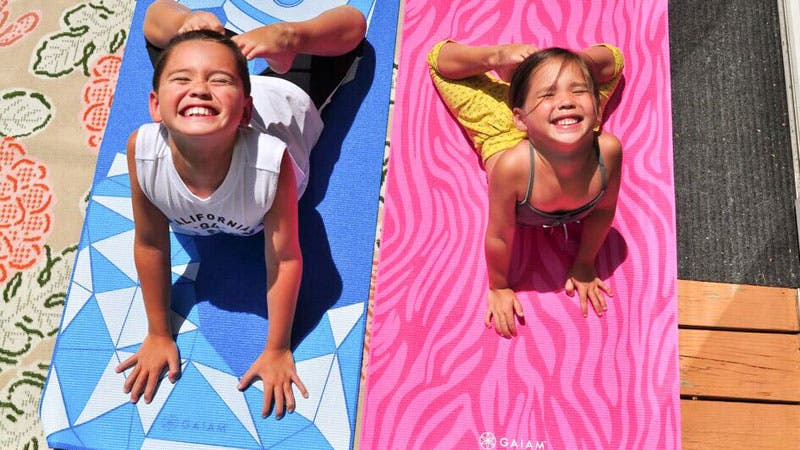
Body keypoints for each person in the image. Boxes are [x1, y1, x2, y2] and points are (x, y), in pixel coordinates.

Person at [114, 0, 367, 419]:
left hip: (285, 95)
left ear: (245, 111)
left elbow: (284, 258)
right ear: (155, 106)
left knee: (352, 36)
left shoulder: (272, 161)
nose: (198, 88)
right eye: (182, 79)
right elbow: (151, 243)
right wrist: (158, 332)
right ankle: (196, 33)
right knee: (164, 29)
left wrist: (278, 348)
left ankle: (288, 37)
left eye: (216, 81)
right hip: (219, 82)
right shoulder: (143, 150)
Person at [427, 40, 624, 338]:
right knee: (439, 65)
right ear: (519, 117)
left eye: (579, 90)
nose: (567, 100)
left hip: (561, 122)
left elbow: (604, 210)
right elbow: (500, 235)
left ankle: (559, 75)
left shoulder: (607, 151)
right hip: (503, 134)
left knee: (614, 64)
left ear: (597, 112)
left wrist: (585, 263)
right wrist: (499, 285)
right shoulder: (512, 167)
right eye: (548, 93)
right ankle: (496, 54)